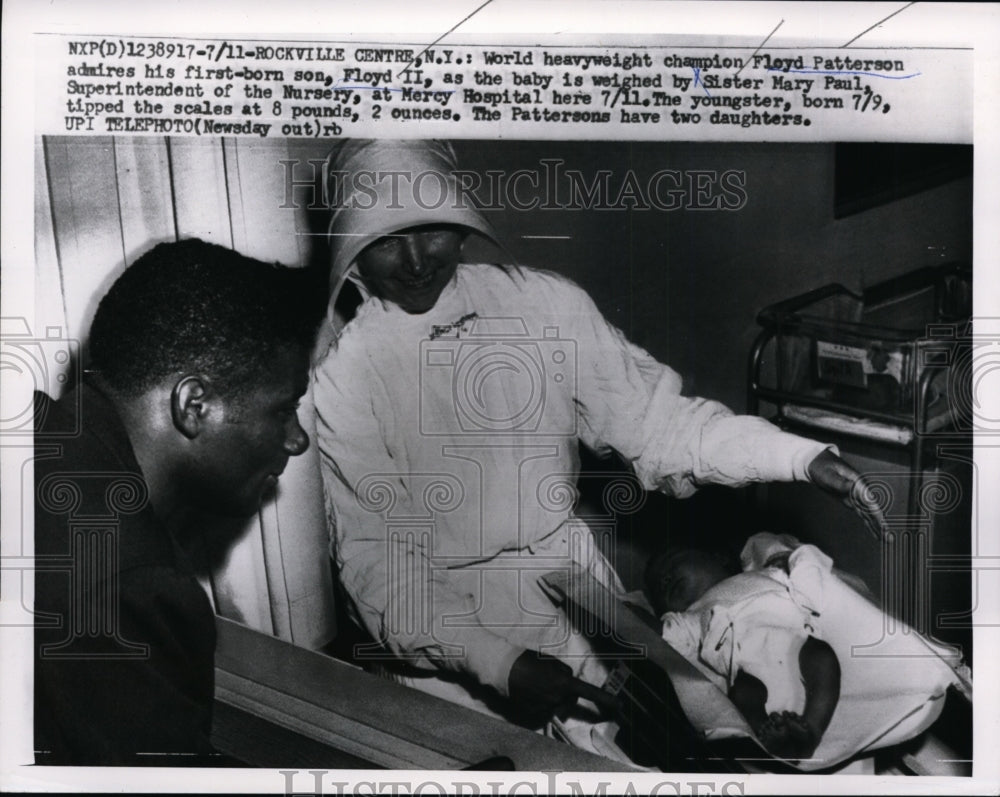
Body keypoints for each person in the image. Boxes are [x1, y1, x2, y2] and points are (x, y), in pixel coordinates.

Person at [312, 140, 883, 753]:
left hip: (579, 605)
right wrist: (499, 664)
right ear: (351, 247)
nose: (418, 259)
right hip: (447, 635)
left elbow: (659, 424)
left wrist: (798, 456)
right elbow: (378, 565)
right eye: (388, 237)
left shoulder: (542, 304)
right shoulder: (346, 374)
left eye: (433, 229)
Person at [33, 238, 324, 765]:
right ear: (194, 404)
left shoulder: (33, 431)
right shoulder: (134, 588)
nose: (297, 439)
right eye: (284, 408)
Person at [646, 542, 841, 761]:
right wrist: (620, 610)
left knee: (821, 656)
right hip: (745, 665)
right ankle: (769, 736)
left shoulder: (764, 574)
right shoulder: (691, 617)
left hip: (792, 639)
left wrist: (789, 559)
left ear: (719, 559)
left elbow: (810, 569)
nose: (665, 580)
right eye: (657, 589)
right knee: (742, 695)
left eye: (672, 563)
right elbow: (659, 634)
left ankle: (813, 728)